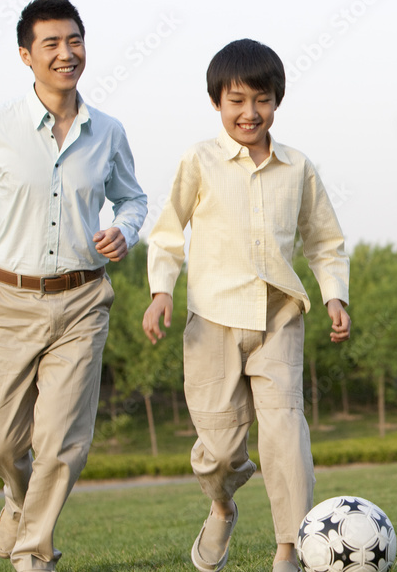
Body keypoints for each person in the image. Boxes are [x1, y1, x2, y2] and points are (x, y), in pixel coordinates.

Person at [0, 0, 147, 572]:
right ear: (26, 55)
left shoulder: (108, 131)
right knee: (0, 443)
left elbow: (133, 197)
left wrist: (124, 231)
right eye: (50, 43)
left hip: (83, 301)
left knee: (63, 442)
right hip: (9, 302)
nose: (65, 53)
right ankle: (16, 498)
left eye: (73, 40)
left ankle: (34, 552)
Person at [142, 38, 350, 572]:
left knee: (285, 432)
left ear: (277, 100)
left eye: (261, 99)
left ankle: (290, 549)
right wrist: (161, 290)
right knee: (220, 449)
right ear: (217, 102)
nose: (249, 112)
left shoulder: (297, 167)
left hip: (279, 315)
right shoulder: (200, 160)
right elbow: (167, 232)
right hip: (211, 320)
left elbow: (324, 240)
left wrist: (334, 296)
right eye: (236, 100)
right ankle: (222, 503)